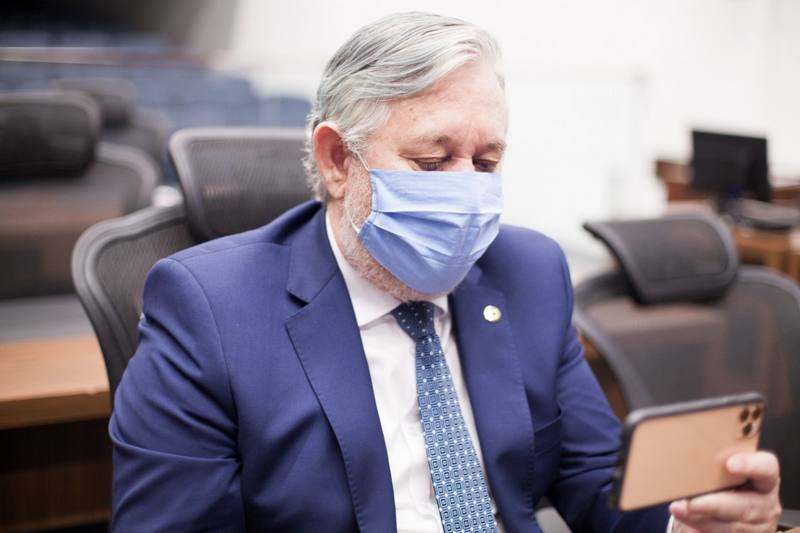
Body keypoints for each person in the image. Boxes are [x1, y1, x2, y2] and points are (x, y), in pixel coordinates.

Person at [110, 12, 782, 533]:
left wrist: (692, 519)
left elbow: (595, 478)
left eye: (486, 164)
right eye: (432, 163)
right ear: (338, 161)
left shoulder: (529, 272)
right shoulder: (209, 307)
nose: (466, 192)